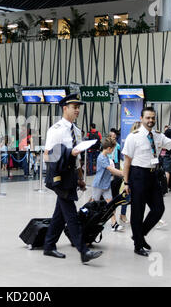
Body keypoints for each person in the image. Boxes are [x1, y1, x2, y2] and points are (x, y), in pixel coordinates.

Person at [43, 93, 103, 264]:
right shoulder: (55, 130)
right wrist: (68, 154)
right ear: (65, 108)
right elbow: (48, 157)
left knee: (60, 215)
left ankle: (48, 246)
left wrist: (80, 178)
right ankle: (83, 251)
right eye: (74, 107)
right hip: (59, 178)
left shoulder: (76, 130)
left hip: (70, 177)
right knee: (71, 215)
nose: (77, 110)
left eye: (78, 107)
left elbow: (77, 160)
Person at [122, 107, 171, 257]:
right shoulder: (133, 136)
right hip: (138, 175)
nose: (151, 121)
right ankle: (138, 244)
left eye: (153, 118)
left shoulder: (158, 135)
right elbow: (127, 161)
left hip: (153, 175)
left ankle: (139, 235)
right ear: (142, 118)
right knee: (138, 211)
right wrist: (126, 182)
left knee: (158, 209)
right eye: (148, 118)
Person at [92, 137, 124, 231]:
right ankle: (88, 221)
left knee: (110, 204)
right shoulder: (101, 157)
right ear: (109, 148)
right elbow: (111, 169)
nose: (113, 151)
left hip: (106, 186)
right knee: (93, 205)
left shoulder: (106, 157)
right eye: (113, 149)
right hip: (98, 186)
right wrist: (123, 173)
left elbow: (112, 171)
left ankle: (114, 224)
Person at [108, 128, 128, 224]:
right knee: (101, 196)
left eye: (115, 138)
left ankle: (115, 218)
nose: (114, 139)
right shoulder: (106, 148)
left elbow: (121, 154)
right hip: (108, 167)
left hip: (116, 165)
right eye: (112, 137)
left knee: (116, 194)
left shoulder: (118, 146)